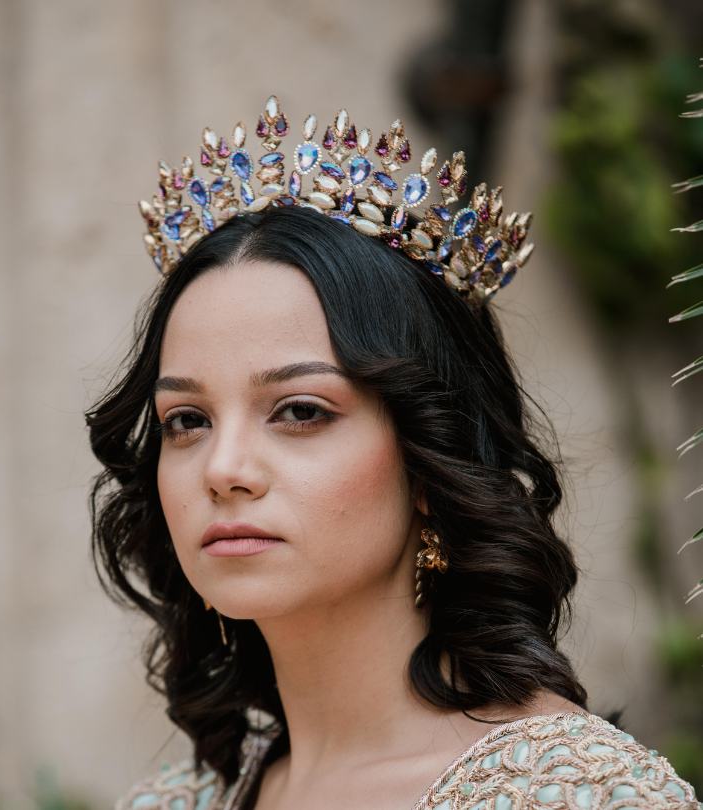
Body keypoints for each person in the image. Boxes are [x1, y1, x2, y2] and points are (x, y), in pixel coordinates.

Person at [85, 96, 700, 809]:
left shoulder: (576, 796)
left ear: (431, 457)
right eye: (187, 420)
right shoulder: (178, 801)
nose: (222, 470)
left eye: (300, 411)